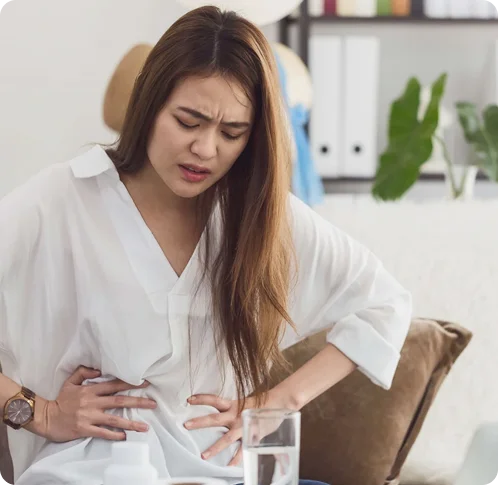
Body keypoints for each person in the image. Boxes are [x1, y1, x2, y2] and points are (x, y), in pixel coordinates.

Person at [0, 6, 412, 485]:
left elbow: (384, 304)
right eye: (188, 121)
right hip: (93, 471)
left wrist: (280, 400)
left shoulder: (258, 214)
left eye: (232, 133)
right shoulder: (63, 198)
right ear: (149, 106)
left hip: (222, 469)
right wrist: (37, 411)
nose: (205, 149)